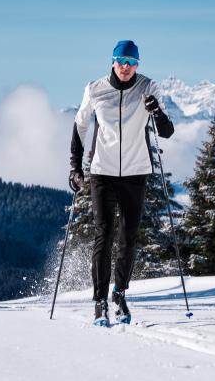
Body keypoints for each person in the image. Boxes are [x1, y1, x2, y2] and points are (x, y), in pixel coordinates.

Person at [68, 39, 174, 326]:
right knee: (104, 234)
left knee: (128, 237)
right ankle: (99, 301)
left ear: (138, 65)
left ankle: (119, 293)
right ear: (112, 61)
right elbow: (80, 127)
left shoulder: (148, 88)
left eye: (132, 63)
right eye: (121, 61)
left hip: (135, 172)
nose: (126, 67)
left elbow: (166, 132)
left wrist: (156, 111)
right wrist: (75, 168)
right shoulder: (96, 89)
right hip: (102, 172)